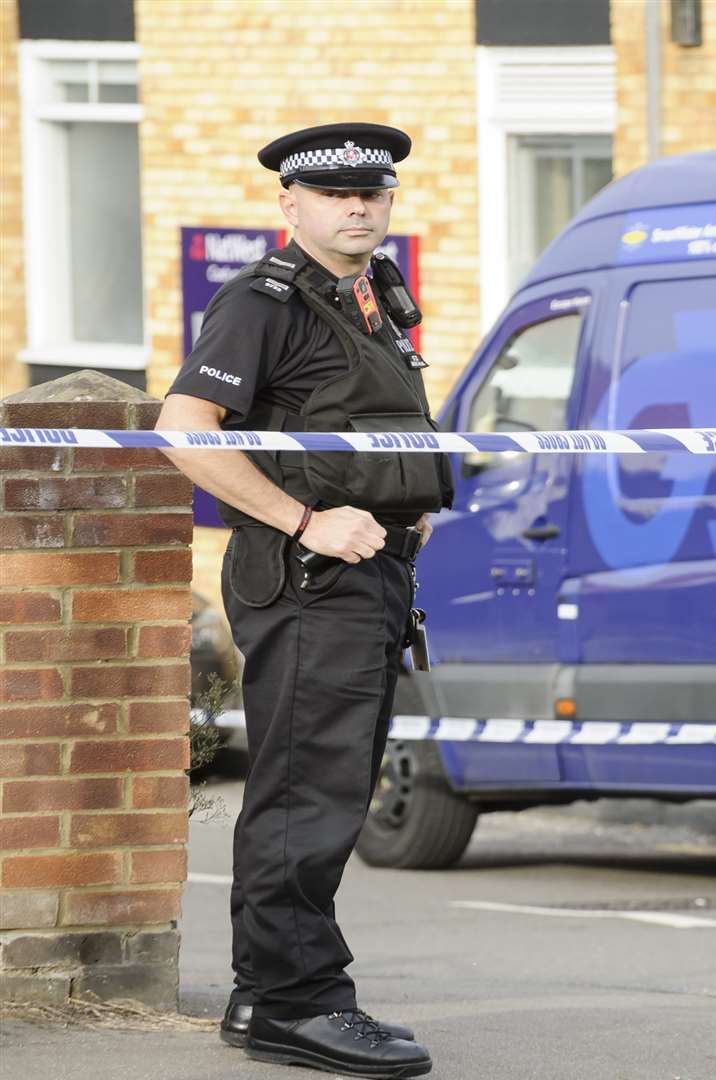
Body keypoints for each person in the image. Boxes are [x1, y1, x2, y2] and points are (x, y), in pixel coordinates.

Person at [158, 122, 451, 1079]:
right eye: (335, 195)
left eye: (374, 192)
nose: (359, 207)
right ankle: (297, 1002)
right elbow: (185, 431)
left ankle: (264, 997)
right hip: (311, 578)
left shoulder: (378, 300)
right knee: (303, 792)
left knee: (330, 788)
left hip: (371, 575)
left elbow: (367, 429)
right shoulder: (264, 302)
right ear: (291, 207)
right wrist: (302, 520)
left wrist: (414, 504)